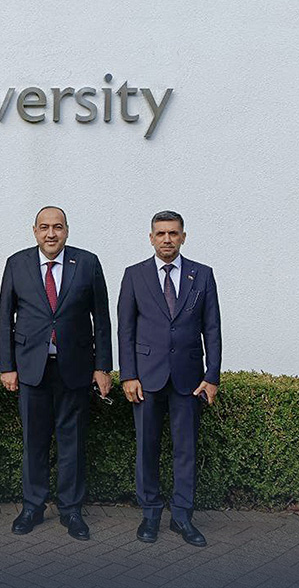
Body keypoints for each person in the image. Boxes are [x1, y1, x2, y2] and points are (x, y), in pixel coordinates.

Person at [0, 206, 113, 541]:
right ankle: (32, 507)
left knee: (71, 443)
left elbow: (102, 319)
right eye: (45, 227)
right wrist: (7, 366)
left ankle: (71, 510)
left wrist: (102, 366)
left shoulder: (87, 263)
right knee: (34, 442)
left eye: (58, 227)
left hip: (74, 368)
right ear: (34, 230)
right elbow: (5, 317)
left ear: (66, 230)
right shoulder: (17, 263)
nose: (51, 234)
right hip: (31, 368)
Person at [117, 210, 221, 547]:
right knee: (146, 448)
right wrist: (128, 375)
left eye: (173, 233)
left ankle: (182, 516)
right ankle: (150, 514)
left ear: (183, 237)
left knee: (185, 449)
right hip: (146, 379)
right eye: (160, 233)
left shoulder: (202, 275)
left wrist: (212, 375)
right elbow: (125, 330)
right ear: (151, 238)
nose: (167, 239)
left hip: (189, 378)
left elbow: (212, 329)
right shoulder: (134, 275)